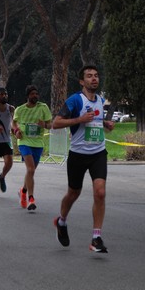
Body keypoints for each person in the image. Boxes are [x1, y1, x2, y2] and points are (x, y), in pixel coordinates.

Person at [51, 65, 114, 253]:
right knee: (73, 193)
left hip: (98, 153)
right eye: (89, 76)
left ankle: (96, 238)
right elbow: (56, 122)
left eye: (96, 76)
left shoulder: (101, 101)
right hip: (78, 155)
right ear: (82, 81)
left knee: (100, 192)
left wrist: (105, 124)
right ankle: (61, 221)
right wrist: (78, 120)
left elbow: (94, 120)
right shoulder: (75, 100)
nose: (94, 79)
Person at [13, 85, 52, 211]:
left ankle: (23, 190)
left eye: (36, 94)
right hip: (24, 141)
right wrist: (16, 131)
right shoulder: (20, 109)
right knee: (30, 169)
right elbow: (14, 123)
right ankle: (31, 199)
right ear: (28, 96)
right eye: (32, 94)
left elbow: (50, 125)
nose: (35, 96)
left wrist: (44, 124)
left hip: (38, 143)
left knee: (31, 171)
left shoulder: (43, 107)